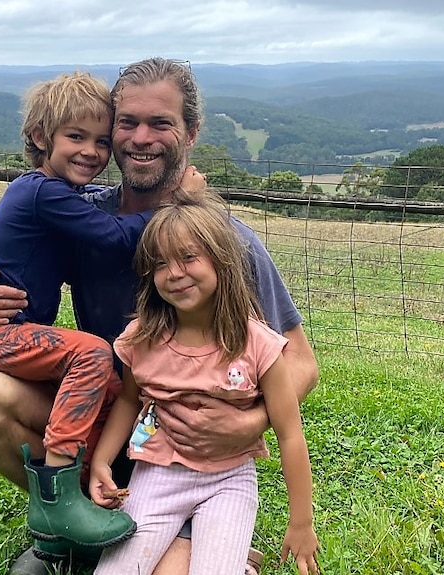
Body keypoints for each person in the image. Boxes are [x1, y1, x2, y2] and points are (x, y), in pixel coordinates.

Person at [0, 57, 319, 574]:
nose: (142, 138)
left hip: (188, 448)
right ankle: (67, 516)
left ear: (190, 132)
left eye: (161, 123)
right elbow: (12, 252)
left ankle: (187, 535)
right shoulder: (83, 215)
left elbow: (301, 361)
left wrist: (247, 423)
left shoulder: (225, 243)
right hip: (112, 420)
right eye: (128, 123)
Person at [0, 70, 206, 549]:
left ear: (190, 134)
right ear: (39, 137)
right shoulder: (48, 194)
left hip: (181, 430)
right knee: (91, 353)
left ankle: (104, 500)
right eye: (76, 137)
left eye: (101, 140)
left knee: (107, 380)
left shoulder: (64, 199)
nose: (91, 151)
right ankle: (61, 500)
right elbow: (112, 236)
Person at [88, 193, 319, 575]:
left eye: (189, 258)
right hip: (156, 475)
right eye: (160, 264)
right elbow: (129, 401)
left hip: (229, 481)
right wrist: (101, 460)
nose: (174, 273)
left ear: (222, 261)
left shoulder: (259, 344)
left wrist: (301, 522)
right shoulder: (142, 338)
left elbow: (290, 434)